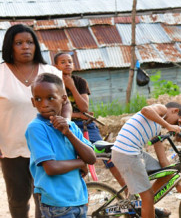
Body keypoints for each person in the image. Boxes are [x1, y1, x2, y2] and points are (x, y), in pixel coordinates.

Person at [0, 24, 71, 218]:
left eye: (30, 42)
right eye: (19, 43)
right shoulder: (1, 74)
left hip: (47, 145)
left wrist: (66, 123)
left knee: (46, 198)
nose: (25, 47)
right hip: (12, 148)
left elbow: (65, 104)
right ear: (10, 46)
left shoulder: (51, 72)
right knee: (17, 200)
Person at [25, 73, 97, 218]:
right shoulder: (36, 128)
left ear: (63, 99)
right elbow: (51, 168)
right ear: (33, 102)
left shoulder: (70, 126)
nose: (44, 104)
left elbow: (91, 158)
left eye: (50, 98)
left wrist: (68, 133)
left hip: (79, 199)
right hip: (56, 204)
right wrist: (80, 162)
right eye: (38, 99)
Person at [53, 52, 127, 188]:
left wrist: (71, 87)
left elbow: (84, 108)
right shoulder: (53, 84)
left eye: (69, 61)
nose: (67, 64)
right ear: (55, 66)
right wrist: (77, 115)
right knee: (70, 159)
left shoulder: (80, 82)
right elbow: (54, 112)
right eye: (63, 62)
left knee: (105, 152)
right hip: (64, 127)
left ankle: (127, 188)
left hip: (86, 125)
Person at [110, 102, 181, 218]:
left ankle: (143, 202)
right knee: (147, 196)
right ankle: (146, 200)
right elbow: (145, 110)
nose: (175, 125)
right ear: (174, 110)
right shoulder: (162, 109)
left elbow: (163, 161)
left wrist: (177, 184)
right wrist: (169, 126)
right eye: (176, 121)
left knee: (166, 173)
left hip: (135, 153)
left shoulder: (157, 129)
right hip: (126, 153)